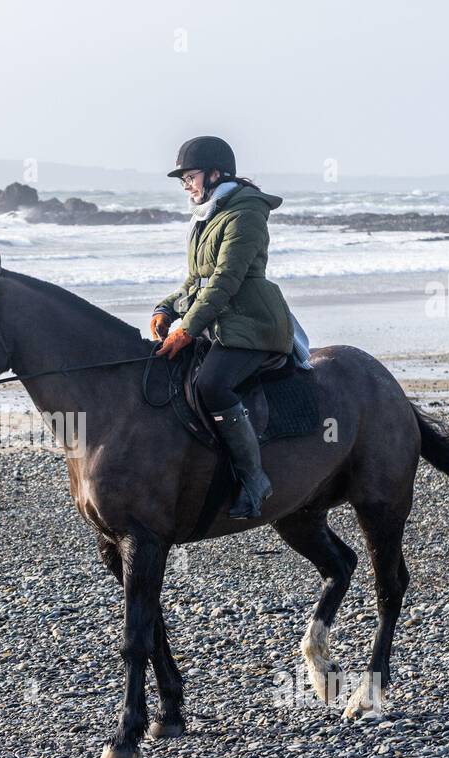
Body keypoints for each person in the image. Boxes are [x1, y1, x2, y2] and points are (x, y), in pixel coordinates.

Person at [151, 135, 296, 519]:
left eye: (190, 176)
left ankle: (254, 479)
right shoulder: (208, 216)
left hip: (252, 324)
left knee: (210, 384)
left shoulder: (245, 213)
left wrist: (187, 329)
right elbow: (195, 281)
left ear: (215, 174)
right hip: (218, 323)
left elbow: (224, 281)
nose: (186, 185)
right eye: (182, 179)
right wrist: (165, 309)